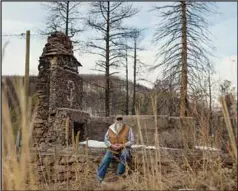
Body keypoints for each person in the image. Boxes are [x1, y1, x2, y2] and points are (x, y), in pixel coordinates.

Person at [97, 115, 134, 183]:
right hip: (112, 148)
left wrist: (122, 145)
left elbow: (131, 141)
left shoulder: (128, 128)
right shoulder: (110, 128)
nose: (119, 121)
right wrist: (111, 145)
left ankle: (118, 177)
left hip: (124, 148)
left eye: (121, 119)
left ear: (122, 120)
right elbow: (106, 139)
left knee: (125, 155)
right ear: (115, 120)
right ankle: (100, 179)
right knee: (106, 159)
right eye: (118, 119)